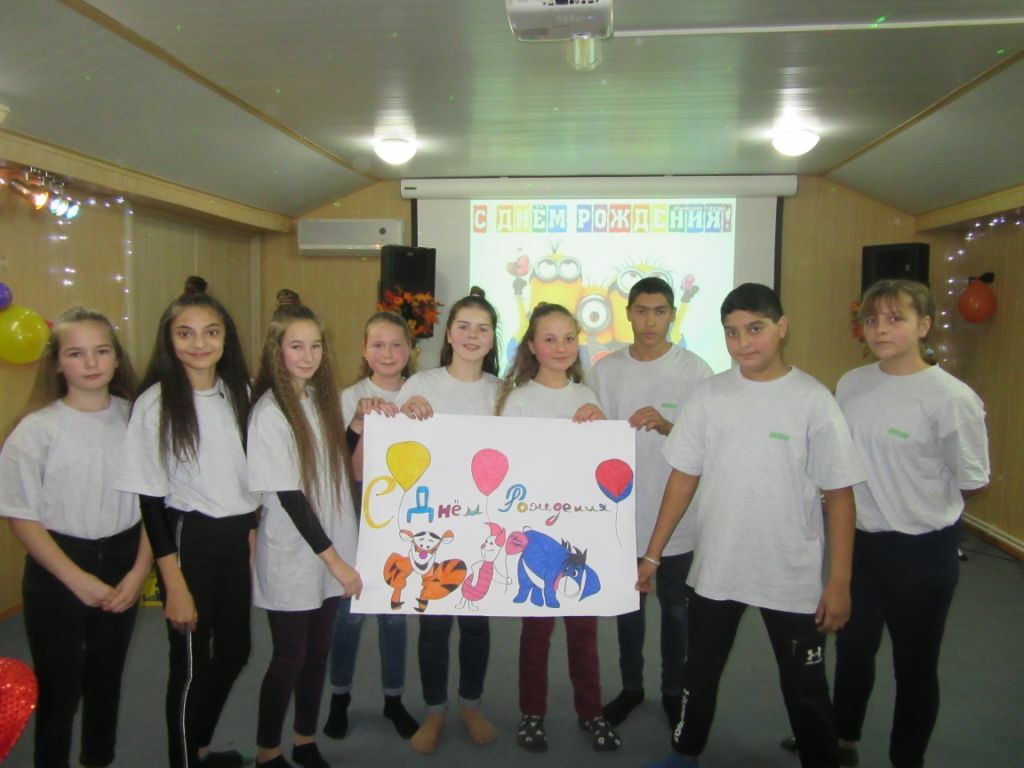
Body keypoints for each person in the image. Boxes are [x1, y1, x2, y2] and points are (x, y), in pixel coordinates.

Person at [639, 283, 862, 768]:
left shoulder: (813, 400)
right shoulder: (709, 395)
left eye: (755, 328)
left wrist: (839, 582)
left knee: (804, 686)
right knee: (699, 674)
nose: (743, 342)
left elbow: (841, 497)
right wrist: (653, 554)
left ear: (782, 327)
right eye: (732, 332)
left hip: (790, 571)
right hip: (718, 567)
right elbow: (683, 478)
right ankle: (685, 753)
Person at [829, 279, 989, 768]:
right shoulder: (851, 383)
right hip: (859, 546)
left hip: (921, 552)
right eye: (872, 319)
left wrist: (912, 501)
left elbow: (971, 479)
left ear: (924, 326)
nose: (881, 329)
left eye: (895, 318)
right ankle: (843, 741)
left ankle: (906, 758)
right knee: (853, 652)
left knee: (914, 667)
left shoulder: (951, 397)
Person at [0, 307, 151, 768]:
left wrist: (139, 571)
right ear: (56, 363)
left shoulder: (137, 419)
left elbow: (155, 503)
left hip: (124, 556)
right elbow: (22, 517)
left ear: (117, 359)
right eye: (76, 353)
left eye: (102, 351)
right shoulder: (37, 430)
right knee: (59, 687)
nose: (91, 363)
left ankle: (97, 758)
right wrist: (77, 579)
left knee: (106, 678)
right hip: (59, 566)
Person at [118, 276, 258, 768]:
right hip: (187, 540)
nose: (199, 343)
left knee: (236, 650)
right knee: (191, 667)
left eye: (211, 332)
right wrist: (173, 585)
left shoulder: (240, 393)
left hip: (234, 538)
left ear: (225, 338)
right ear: (169, 339)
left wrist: (251, 534)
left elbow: (247, 476)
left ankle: (196, 747)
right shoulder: (156, 403)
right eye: (185, 333)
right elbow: (150, 503)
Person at [497, 302, 622, 754]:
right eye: (549, 339)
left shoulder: (586, 395)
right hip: (538, 534)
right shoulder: (517, 398)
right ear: (531, 346)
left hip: (580, 532)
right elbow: (508, 464)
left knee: (584, 628)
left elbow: (603, 462)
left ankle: (591, 711)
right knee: (536, 630)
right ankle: (532, 712)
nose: (561, 347)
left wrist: (602, 428)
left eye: (569, 338)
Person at [587, 276, 712, 728]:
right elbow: (590, 438)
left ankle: (673, 690)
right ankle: (632, 687)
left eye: (660, 311)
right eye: (641, 311)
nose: (650, 321)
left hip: (678, 518)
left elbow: (709, 443)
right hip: (623, 513)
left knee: (677, 611)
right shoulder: (605, 371)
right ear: (629, 314)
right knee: (629, 609)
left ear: (672, 315)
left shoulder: (696, 371)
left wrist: (667, 425)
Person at [248, 289, 363, 768]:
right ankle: (268, 750)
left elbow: (333, 462)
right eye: (296, 346)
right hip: (297, 553)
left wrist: (355, 428)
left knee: (318, 651)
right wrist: (336, 562)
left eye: (316, 345)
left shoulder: (317, 399)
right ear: (276, 350)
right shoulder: (270, 412)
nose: (308, 356)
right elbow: (290, 497)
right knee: (289, 658)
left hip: (329, 544)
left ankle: (304, 738)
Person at [397, 288, 500, 754]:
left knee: (477, 624)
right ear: (449, 334)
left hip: (482, 526)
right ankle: (435, 711)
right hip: (432, 528)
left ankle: (471, 705)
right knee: (434, 625)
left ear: (493, 338)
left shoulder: (504, 392)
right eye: (464, 326)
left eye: (483, 328)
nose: (473, 335)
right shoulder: (422, 384)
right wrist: (404, 414)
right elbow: (396, 447)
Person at [324, 311, 419, 741]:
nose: (388, 353)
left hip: (405, 518)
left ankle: (393, 699)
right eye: (378, 345)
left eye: (397, 344)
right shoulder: (349, 397)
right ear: (364, 351)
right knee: (349, 615)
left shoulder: (421, 392)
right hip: (357, 519)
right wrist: (363, 426)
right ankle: (339, 697)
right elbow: (349, 473)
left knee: (394, 616)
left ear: (410, 350)